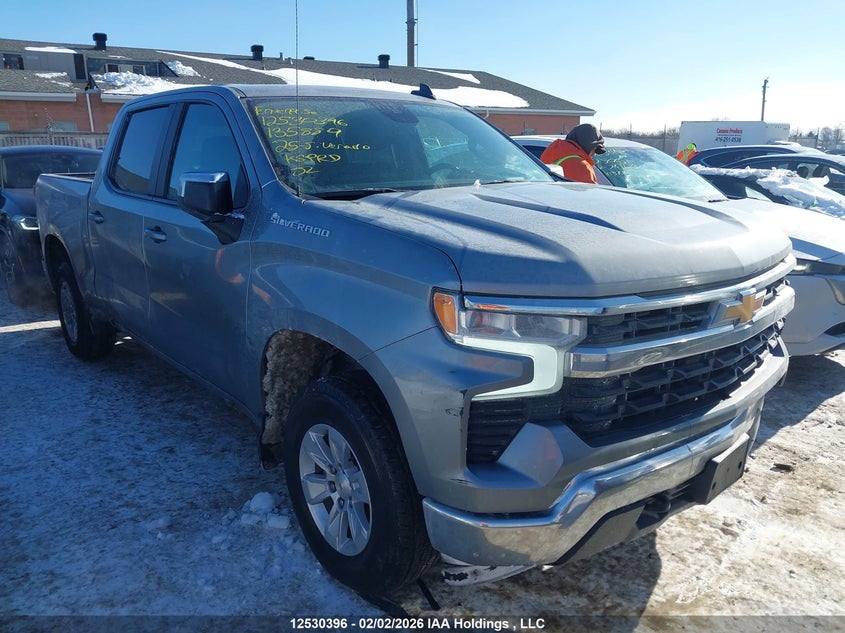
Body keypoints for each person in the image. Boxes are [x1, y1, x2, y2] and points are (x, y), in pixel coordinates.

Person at [539, 123, 606, 184]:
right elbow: (591, 195)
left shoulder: (551, 152)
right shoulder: (582, 167)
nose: (594, 154)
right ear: (587, 146)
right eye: (594, 149)